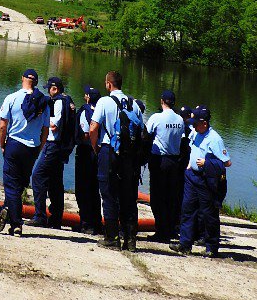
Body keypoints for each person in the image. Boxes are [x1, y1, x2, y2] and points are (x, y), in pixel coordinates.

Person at [88, 70, 144, 251]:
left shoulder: (104, 102)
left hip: (109, 151)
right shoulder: (134, 104)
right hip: (129, 156)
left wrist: (95, 147)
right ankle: (130, 240)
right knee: (128, 196)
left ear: (108, 84)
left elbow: (93, 128)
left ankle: (111, 237)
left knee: (109, 194)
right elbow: (142, 131)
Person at [0, 68, 50, 236]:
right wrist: (40, 147)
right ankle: (8, 209)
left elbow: (3, 126)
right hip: (32, 147)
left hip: (14, 143)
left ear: (22, 79)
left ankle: (16, 223)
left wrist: (2, 144)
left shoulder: (12, 98)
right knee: (19, 185)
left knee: (11, 184)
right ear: (36, 82)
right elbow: (46, 130)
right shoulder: (44, 102)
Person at [171, 105, 231, 258]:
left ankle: (211, 247)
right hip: (192, 177)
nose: (193, 126)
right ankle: (185, 244)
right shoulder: (196, 133)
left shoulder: (215, 139)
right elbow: (193, 150)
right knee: (187, 210)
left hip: (206, 180)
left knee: (208, 214)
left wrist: (207, 163)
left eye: (196, 123)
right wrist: (189, 166)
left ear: (204, 123)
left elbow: (226, 163)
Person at [30, 76, 75, 229]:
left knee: (37, 176)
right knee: (55, 181)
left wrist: (40, 119)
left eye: (49, 88)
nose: (48, 92)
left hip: (53, 145)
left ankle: (40, 216)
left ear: (54, 89)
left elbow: (54, 126)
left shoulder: (58, 102)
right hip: (60, 147)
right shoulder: (66, 101)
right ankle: (56, 219)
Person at [144, 89, 185, 242]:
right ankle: (170, 229)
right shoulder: (180, 120)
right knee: (171, 196)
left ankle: (161, 231)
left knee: (157, 197)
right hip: (174, 162)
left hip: (159, 160)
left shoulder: (156, 117)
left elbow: (145, 135)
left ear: (162, 101)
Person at [75, 86, 103, 233]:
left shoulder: (85, 111)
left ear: (88, 97)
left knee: (83, 188)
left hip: (86, 151)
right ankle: (97, 222)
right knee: (94, 188)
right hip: (100, 152)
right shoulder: (102, 111)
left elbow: (86, 134)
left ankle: (86, 223)